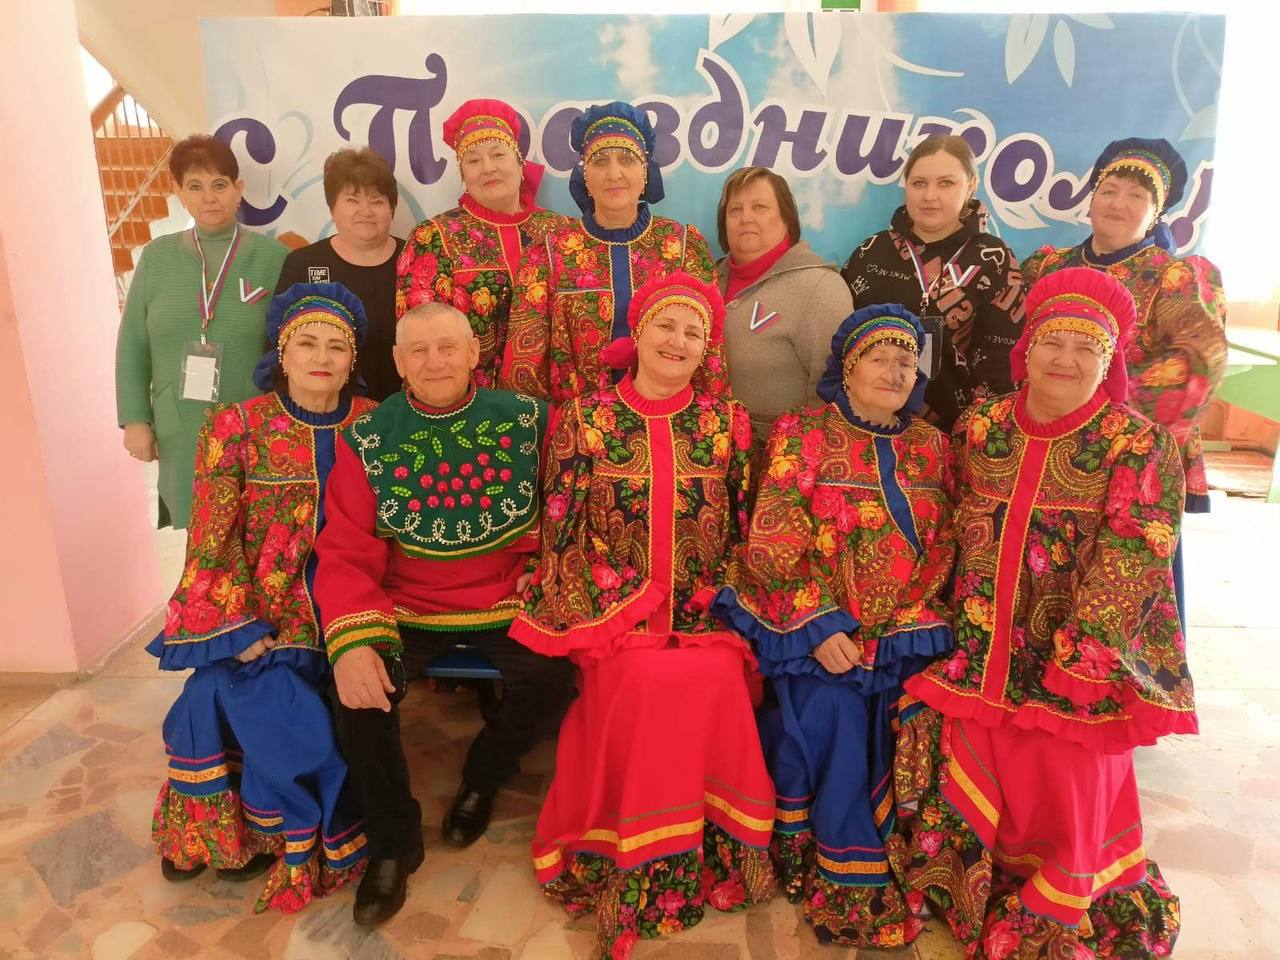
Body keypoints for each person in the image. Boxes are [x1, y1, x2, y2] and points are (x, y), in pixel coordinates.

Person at [896, 267, 1195, 959]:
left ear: (1109, 361)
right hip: (978, 654)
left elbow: (1135, 556)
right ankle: (972, 881)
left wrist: (1085, 656)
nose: (1065, 359)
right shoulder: (981, 427)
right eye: (1052, 342)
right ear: (1025, 348)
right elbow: (948, 526)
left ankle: (1057, 892)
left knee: (1068, 768)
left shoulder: (1137, 443)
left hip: (1075, 663)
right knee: (964, 747)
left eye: (1087, 347)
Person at [510, 272, 776, 959]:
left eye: (693, 332)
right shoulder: (586, 417)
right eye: (666, 325)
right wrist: (625, 607)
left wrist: (716, 604)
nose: (677, 341)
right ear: (638, 332)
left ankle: (709, 851)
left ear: (707, 349)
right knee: (642, 681)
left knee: (716, 678)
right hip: (612, 617)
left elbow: (744, 529)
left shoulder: (726, 422)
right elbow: (563, 525)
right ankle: (627, 848)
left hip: (703, 618)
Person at [313, 301, 574, 927]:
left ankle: (484, 777)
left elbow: (569, 506)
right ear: (399, 362)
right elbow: (345, 548)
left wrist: (548, 572)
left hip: (508, 596)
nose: (435, 362)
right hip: (404, 603)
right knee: (357, 697)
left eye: (448, 347)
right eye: (420, 351)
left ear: (474, 353)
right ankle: (392, 842)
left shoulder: (530, 420)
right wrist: (353, 643)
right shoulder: (368, 439)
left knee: (556, 677)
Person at [712, 303, 954, 948]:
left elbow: (947, 549)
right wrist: (821, 627)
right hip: (814, 632)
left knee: (926, 714)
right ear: (846, 368)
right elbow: (771, 542)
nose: (894, 372)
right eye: (879, 358)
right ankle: (844, 864)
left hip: (906, 635)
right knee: (832, 713)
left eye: (907, 362)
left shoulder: (933, 447)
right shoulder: (805, 433)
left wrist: (907, 626)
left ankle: (930, 864)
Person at [148, 283, 375, 913]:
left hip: (346, 602)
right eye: (307, 343)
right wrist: (239, 625)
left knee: (278, 697)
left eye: (336, 346)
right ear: (282, 351)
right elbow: (211, 536)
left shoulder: (375, 422)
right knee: (210, 689)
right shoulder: (236, 425)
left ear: (353, 360)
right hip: (260, 604)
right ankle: (218, 830)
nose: (321, 357)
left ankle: (283, 829)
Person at [1022, 138, 1227, 624]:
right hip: (1042, 443)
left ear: (1156, 213)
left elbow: (1198, 364)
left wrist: (1103, 414)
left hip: (1123, 452)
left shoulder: (1173, 277)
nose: (1119, 203)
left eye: (1137, 196)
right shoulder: (1047, 266)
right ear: (1091, 198)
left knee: (1118, 580)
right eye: (1109, 190)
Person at [116, 134, 288, 528]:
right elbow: (133, 346)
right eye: (195, 186)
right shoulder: (157, 258)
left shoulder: (274, 258)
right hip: (180, 425)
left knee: (255, 534)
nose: (209, 197)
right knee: (198, 536)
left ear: (238, 189)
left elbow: (291, 348)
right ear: (179, 193)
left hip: (253, 425)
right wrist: (135, 420)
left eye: (219, 184)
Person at [506, 100, 720, 403]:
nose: (614, 173)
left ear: (645, 172)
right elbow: (524, 371)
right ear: (585, 176)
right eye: (600, 161)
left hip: (669, 420)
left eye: (627, 159)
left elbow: (710, 352)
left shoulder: (683, 246)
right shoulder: (549, 254)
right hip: (580, 424)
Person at [840, 135, 1025, 432]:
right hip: (865, 423)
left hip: (954, 433)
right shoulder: (872, 251)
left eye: (945, 183)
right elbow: (842, 343)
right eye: (919, 183)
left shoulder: (994, 259)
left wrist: (976, 433)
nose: (929, 195)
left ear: (970, 186)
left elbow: (1003, 365)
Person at [395, 99, 566, 393]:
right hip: (467, 406)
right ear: (463, 175)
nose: (488, 168)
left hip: (554, 405)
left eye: (498, 154)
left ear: (520, 164)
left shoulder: (560, 232)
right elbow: (420, 339)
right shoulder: (433, 237)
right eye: (473, 161)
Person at [715, 167, 852, 441]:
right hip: (707, 451)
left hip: (781, 456)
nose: (746, 218)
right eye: (735, 210)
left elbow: (834, 396)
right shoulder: (705, 280)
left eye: (759, 207)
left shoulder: (820, 287)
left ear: (787, 220)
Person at [275, 148, 405, 400]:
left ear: (391, 208)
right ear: (332, 207)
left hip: (404, 405)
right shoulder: (303, 263)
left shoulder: (415, 258)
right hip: (326, 407)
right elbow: (278, 346)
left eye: (377, 201)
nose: (365, 211)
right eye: (353, 200)